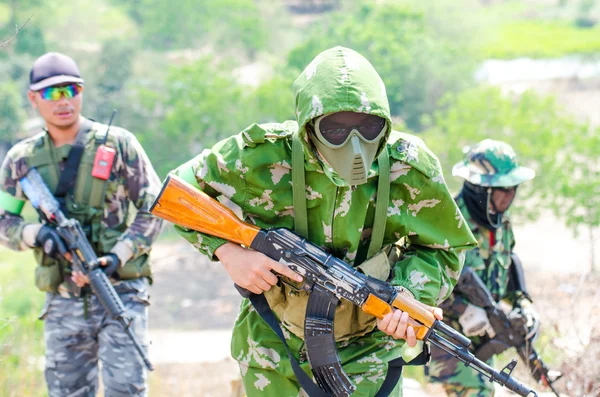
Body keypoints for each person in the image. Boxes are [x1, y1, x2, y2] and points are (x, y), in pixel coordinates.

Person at [168, 46, 477, 396]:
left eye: (369, 127)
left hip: (369, 352)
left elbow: (445, 248)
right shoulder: (260, 157)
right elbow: (178, 192)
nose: (355, 144)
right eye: (336, 129)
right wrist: (227, 252)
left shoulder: (410, 168)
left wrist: (410, 297)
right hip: (273, 348)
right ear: (308, 127)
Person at [0, 52, 163, 397]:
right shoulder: (21, 160)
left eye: (71, 89)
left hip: (120, 292)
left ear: (82, 91)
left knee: (126, 390)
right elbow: (4, 221)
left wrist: (119, 255)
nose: (63, 100)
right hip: (63, 302)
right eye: (51, 93)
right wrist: (37, 234)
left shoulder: (118, 145)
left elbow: (155, 209)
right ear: (33, 99)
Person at [426, 139, 537, 397]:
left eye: (513, 189)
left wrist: (523, 304)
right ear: (481, 189)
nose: (509, 197)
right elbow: (426, 279)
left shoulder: (502, 227)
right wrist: (463, 309)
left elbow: (506, 271)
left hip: (485, 338)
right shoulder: (447, 222)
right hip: (448, 335)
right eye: (503, 190)